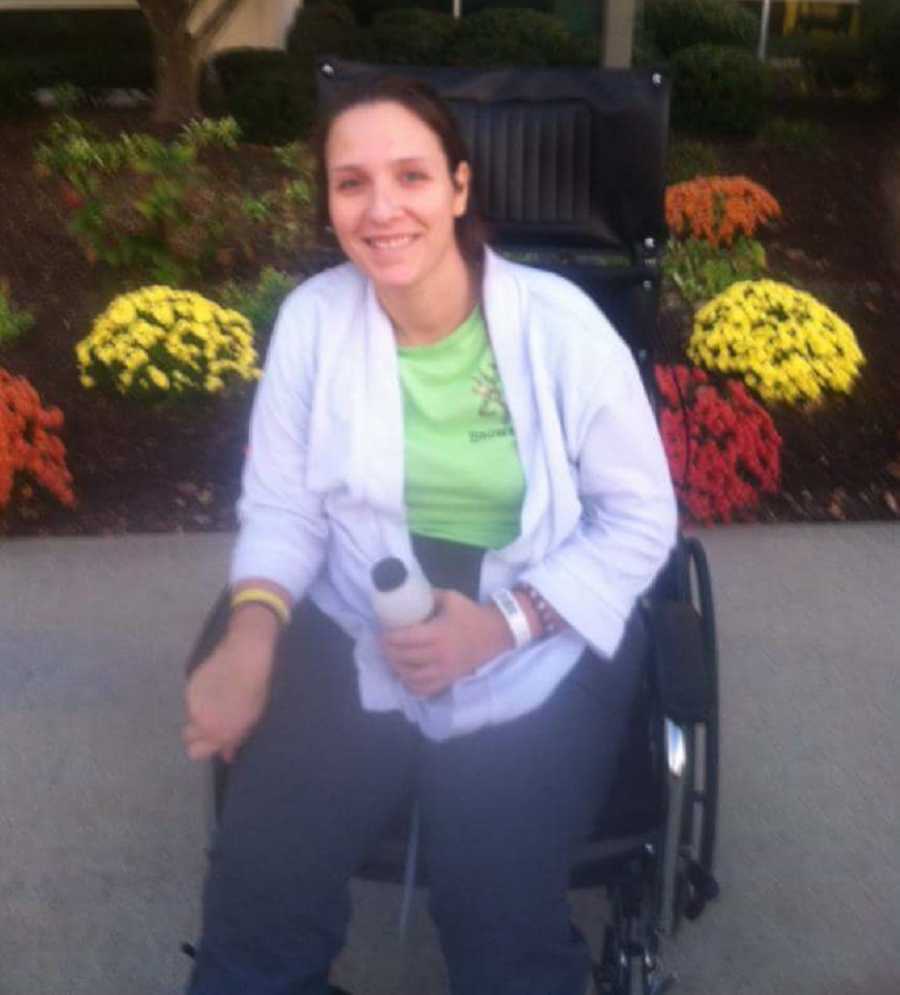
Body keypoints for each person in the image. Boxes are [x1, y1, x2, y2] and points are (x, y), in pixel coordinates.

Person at [183, 75, 677, 995]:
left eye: (410, 176)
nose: (381, 210)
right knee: (260, 890)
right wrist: (251, 638)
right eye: (351, 182)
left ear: (458, 188)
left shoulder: (559, 329)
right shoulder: (314, 323)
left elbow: (641, 517)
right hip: (358, 607)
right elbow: (285, 507)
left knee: (495, 907)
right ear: (327, 201)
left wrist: (503, 625)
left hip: (543, 614)